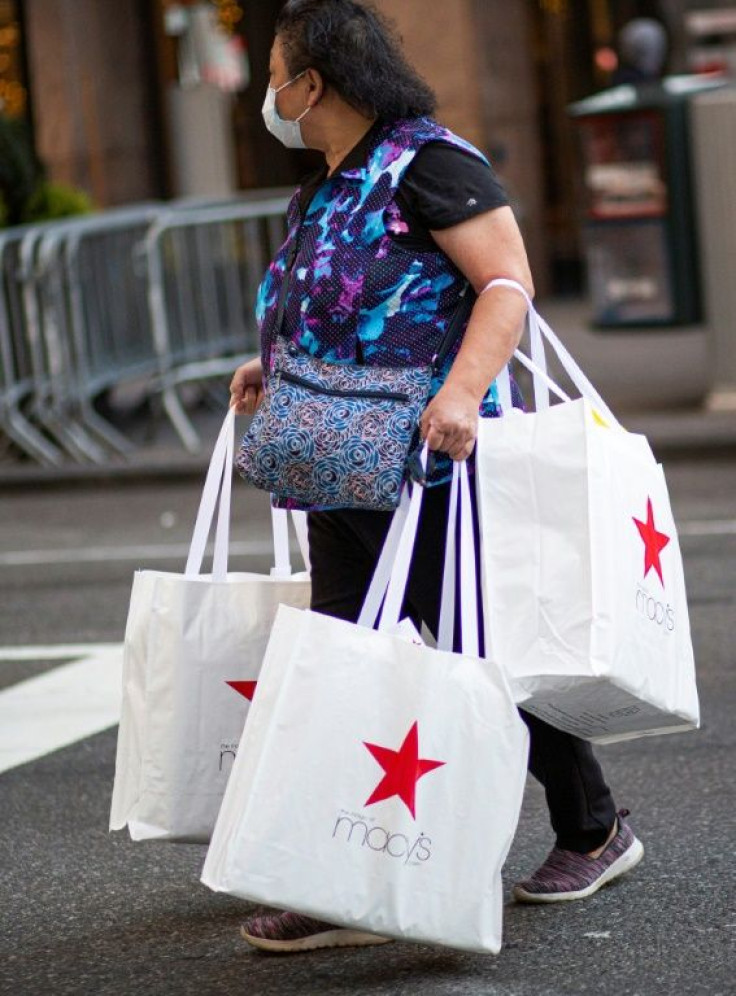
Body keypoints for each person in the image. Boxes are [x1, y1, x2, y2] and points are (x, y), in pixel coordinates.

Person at [229, 0, 643, 954]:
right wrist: (275, 358)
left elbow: (506, 285)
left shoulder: (429, 162)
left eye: (276, 74)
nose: (270, 95)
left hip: (428, 463)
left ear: (314, 84)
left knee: (481, 657)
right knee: (341, 663)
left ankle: (595, 827)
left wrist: (460, 394)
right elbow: (332, 298)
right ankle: (343, 880)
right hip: (338, 463)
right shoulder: (326, 182)